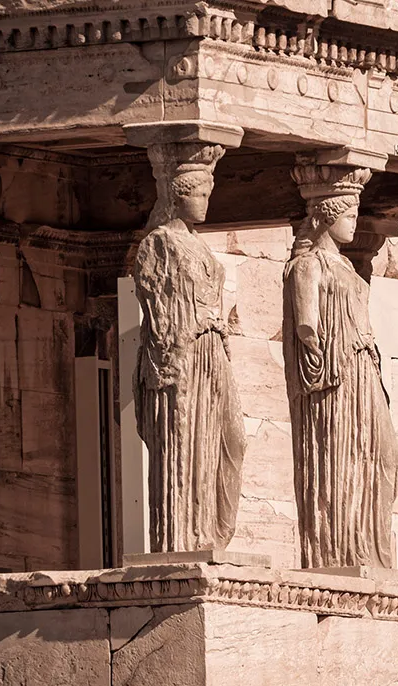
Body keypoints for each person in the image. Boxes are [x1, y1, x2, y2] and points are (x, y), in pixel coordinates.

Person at [283, 166, 398, 568]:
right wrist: (328, 357)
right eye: (349, 214)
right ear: (326, 216)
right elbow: (306, 325)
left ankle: (368, 546)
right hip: (338, 375)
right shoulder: (308, 265)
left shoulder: (346, 267)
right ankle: (340, 549)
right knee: (344, 457)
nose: (354, 221)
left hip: (364, 369)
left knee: (385, 455)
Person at [134, 143, 245, 553]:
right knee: (184, 440)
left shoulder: (199, 245)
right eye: (199, 194)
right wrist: (173, 356)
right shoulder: (158, 243)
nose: (205, 202)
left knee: (234, 439)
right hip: (183, 354)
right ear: (179, 196)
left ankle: (215, 532)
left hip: (212, 352)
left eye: (207, 194)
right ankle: (184, 538)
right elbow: (156, 308)